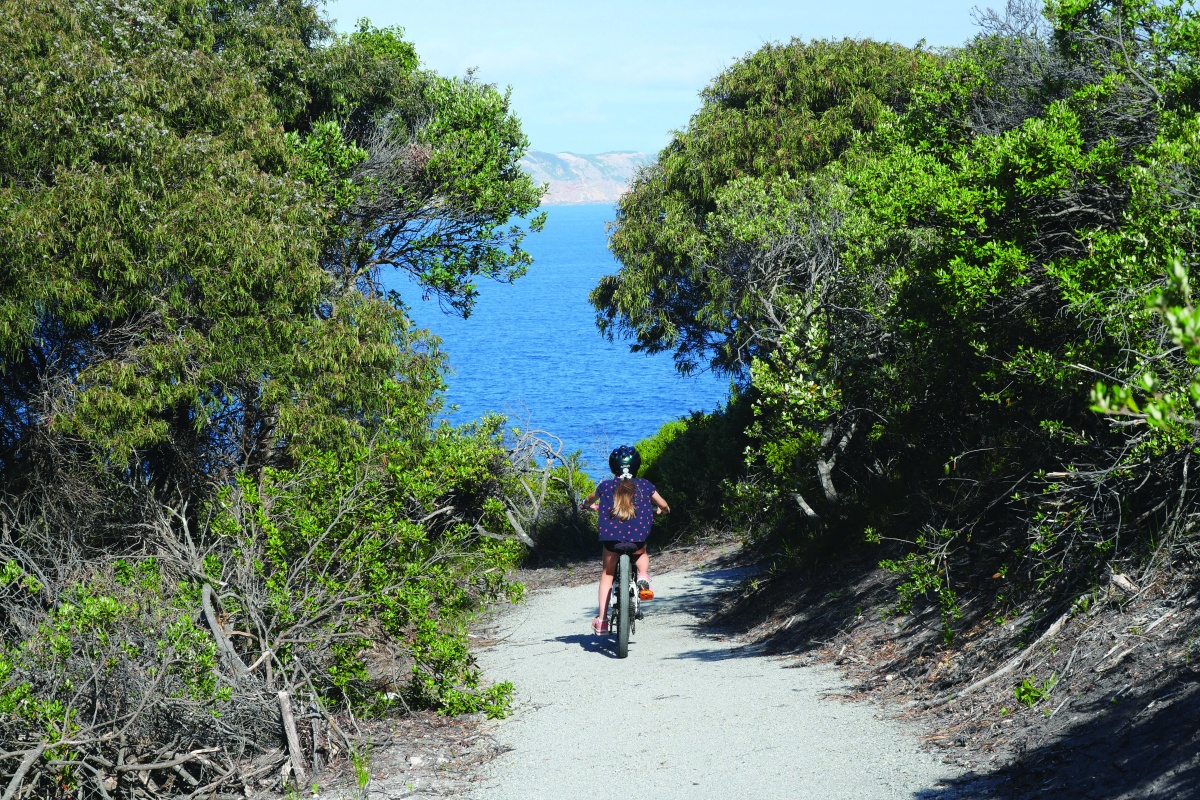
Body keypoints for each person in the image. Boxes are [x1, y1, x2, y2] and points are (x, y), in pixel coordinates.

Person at [580, 445, 670, 634]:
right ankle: (643, 575)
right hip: (637, 540)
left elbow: (589, 500)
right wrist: (663, 511)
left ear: (613, 467)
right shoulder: (645, 485)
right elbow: (663, 505)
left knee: (607, 574)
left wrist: (586, 505)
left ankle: (603, 621)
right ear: (637, 466)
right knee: (642, 551)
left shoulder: (605, 486)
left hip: (612, 542)